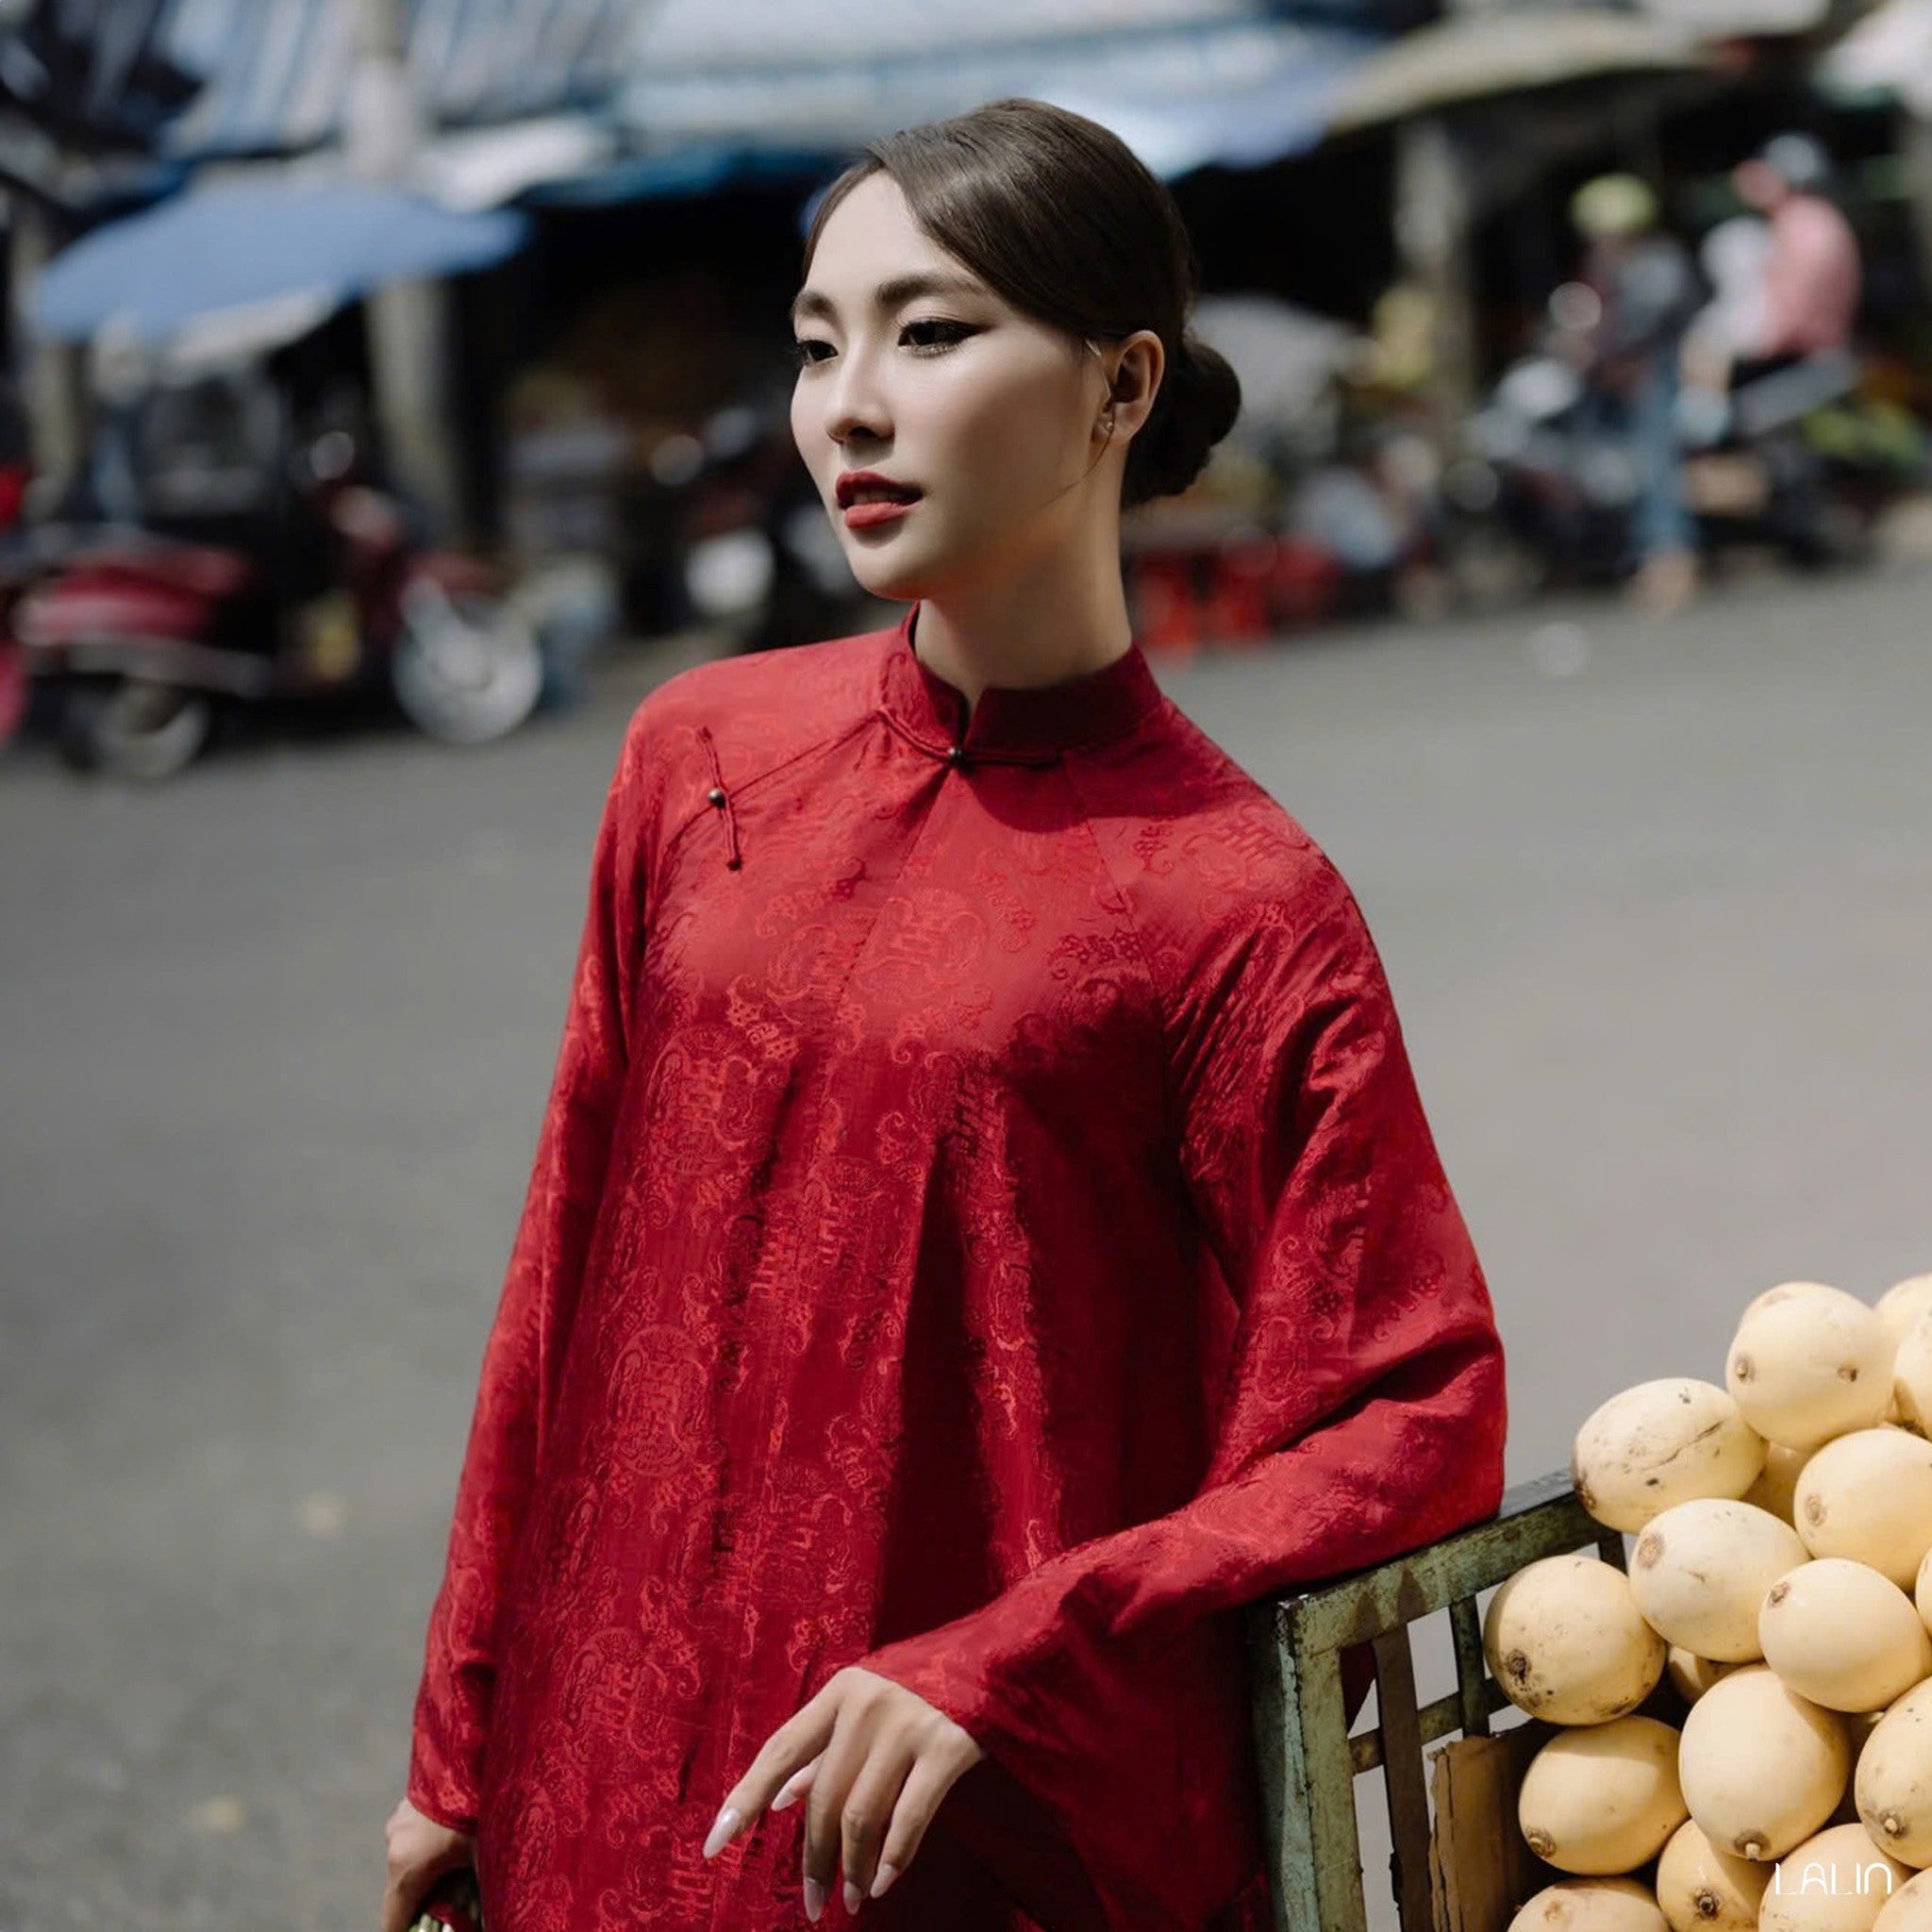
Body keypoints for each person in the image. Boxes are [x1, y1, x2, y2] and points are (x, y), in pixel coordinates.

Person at [384, 98, 1507, 1932]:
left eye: (929, 331)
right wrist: (458, 1745)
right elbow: (564, 1277)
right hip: (599, 1783)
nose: (849, 405)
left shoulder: (1236, 900)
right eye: (820, 343)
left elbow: (1408, 1409)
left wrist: (1017, 1651)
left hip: (928, 1852)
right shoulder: (700, 757)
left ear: (1119, 384)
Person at [1567, 173, 1704, 613]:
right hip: (1622, 380)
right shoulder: (1609, 265)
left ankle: (1671, 561)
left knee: (1656, 467)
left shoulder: (1656, 262)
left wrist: (1602, 347)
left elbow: (1646, 322)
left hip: (1657, 372)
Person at [1731, 134, 1861, 369]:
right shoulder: (1818, 217)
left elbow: (1800, 296)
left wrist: (1769, 341)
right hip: (1817, 350)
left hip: (1800, 355)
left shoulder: (1801, 222)